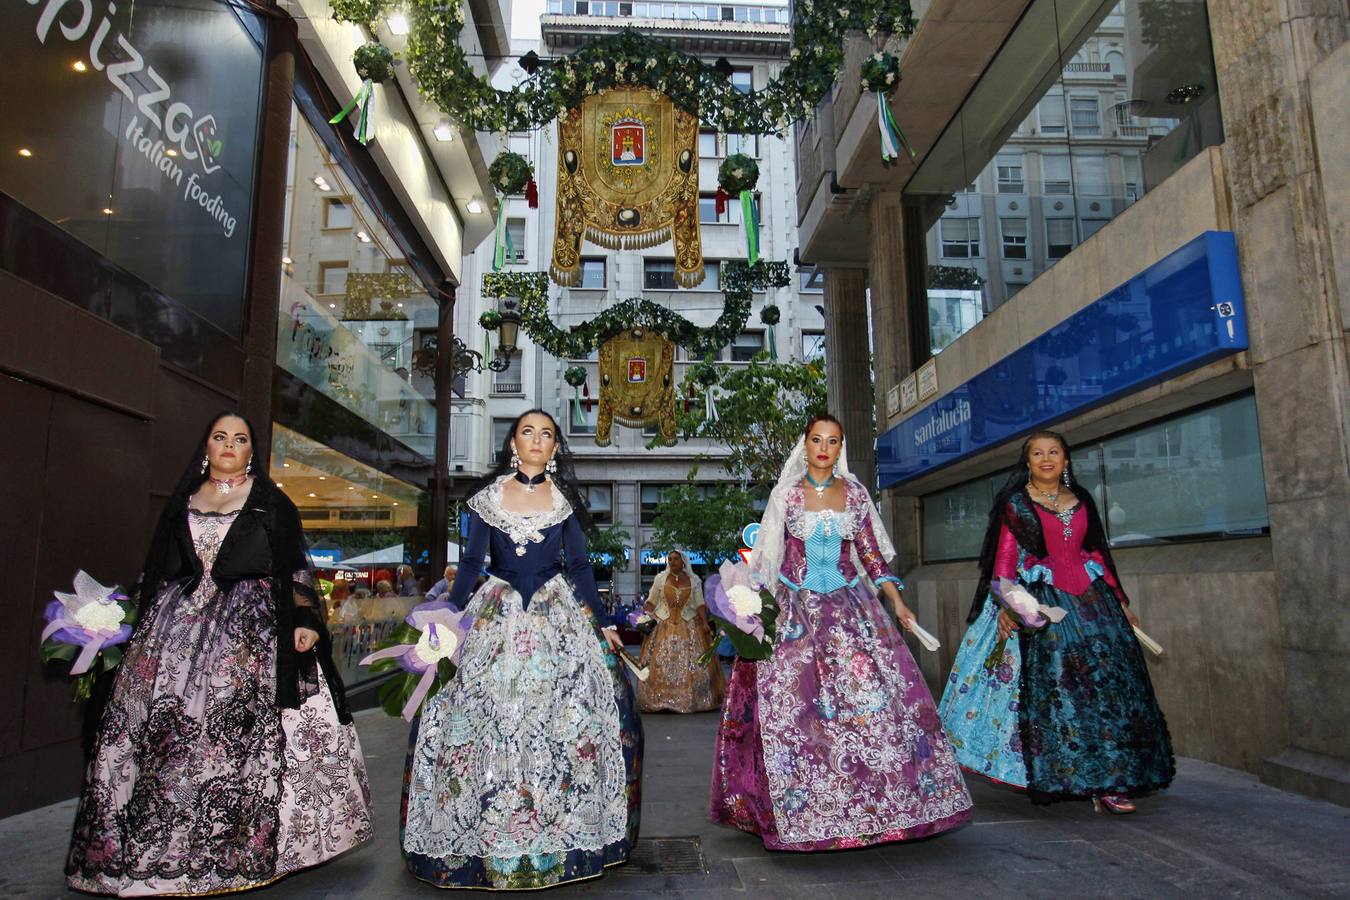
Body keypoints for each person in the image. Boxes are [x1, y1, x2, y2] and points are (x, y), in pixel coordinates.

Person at [66, 412, 372, 896]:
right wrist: (119, 626)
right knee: (162, 733)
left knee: (235, 738)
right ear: (205, 446)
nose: (229, 445)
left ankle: (231, 843)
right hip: (174, 631)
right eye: (220, 437)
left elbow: (294, 570)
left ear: (253, 451)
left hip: (250, 634)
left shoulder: (273, 504)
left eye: (241, 439)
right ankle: (158, 852)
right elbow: (156, 571)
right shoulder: (183, 502)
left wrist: (308, 621)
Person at [401, 409, 641, 890]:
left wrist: (604, 622)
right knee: (483, 716)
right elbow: (469, 565)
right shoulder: (486, 500)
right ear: (513, 442)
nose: (536, 440)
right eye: (527, 432)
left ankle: (563, 829)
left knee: (571, 715)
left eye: (546, 434)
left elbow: (579, 566)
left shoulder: (565, 501)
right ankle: (487, 832)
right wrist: (447, 621)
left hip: (558, 615)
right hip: (496, 611)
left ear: (555, 449)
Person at [710, 414, 972, 850]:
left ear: (841, 447)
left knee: (873, 704)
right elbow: (767, 561)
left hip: (853, 612)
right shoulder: (787, 496)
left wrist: (899, 602)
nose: (824, 448)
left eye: (833, 441)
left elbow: (872, 557)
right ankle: (803, 808)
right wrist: (751, 612)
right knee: (795, 710)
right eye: (817, 439)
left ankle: (875, 806)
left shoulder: (855, 495)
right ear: (806, 444)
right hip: (797, 614)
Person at [938, 430, 1174, 812]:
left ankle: (1111, 780)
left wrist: (1122, 602)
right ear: (1027, 462)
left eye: (1054, 452)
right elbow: (1002, 565)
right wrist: (1010, 608)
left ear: (1066, 461)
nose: (1046, 458)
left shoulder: (1081, 501)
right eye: (1037, 453)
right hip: (1045, 607)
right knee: (1064, 689)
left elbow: (1097, 552)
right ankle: (1073, 771)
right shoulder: (1017, 504)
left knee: (1109, 688)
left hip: (1095, 606)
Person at [636, 550, 726, 713]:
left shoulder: (694, 580)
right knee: (661, 661)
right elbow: (650, 602)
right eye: (669, 559)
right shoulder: (660, 579)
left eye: (675, 559)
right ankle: (660, 699)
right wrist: (644, 618)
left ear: (683, 561)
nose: (672, 561)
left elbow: (699, 604)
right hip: (663, 623)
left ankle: (690, 698)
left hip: (689, 623)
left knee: (691, 662)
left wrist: (705, 623)